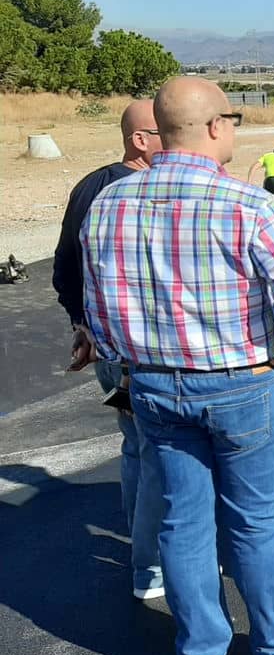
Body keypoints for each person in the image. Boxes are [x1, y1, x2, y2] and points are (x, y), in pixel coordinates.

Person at [80, 77, 274, 655]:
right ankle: (273, 647)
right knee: (255, 523)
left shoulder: (109, 203)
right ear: (216, 126)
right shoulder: (250, 205)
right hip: (244, 386)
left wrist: (130, 363)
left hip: (157, 390)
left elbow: (101, 315)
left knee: (181, 524)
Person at [52, 98, 166, 601]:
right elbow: (74, 267)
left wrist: (83, 325)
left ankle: (150, 562)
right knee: (157, 453)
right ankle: (154, 565)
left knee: (137, 448)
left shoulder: (94, 185)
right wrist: (89, 326)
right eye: (166, 131)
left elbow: (66, 270)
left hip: (107, 343)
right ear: (138, 139)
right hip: (132, 349)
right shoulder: (116, 187)